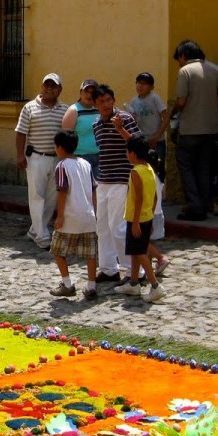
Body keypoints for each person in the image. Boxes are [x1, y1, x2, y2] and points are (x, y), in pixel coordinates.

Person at [92, 84, 144, 285]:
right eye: (101, 101)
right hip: (104, 179)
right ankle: (108, 268)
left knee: (117, 227)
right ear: (95, 104)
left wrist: (120, 129)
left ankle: (133, 271)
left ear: (113, 100)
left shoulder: (125, 119)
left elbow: (138, 144)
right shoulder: (96, 124)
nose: (106, 105)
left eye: (108, 100)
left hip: (122, 179)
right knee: (102, 226)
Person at [170, 40, 218, 221]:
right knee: (204, 167)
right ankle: (202, 203)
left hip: (190, 129)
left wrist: (173, 114)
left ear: (183, 56)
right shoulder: (213, 71)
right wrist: (215, 120)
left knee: (186, 166)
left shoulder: (185, 71)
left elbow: (181, 101)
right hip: (211, 129)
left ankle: (195, 206)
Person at [15, 73, 69, 246]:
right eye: (46, 85)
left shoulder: (65, 109)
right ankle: (42, 236)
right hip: (36, 157)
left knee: (52, 198)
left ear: (59, 90)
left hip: (57, 159)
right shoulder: (29, 108)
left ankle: (36, 230)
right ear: (41, 87)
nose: (49, 89)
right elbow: (21, 132)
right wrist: (19, 154)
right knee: (37, 196)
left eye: (53, 86)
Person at [48, 130, 98, 300]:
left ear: (60, 148)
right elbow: (93, 190)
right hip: (88, 215)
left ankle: (67, 284)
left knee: (57, 250)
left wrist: (60, 216)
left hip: (70, 216)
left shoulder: (61, 166)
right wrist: (95, 211)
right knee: (90, 253)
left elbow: (62, 192)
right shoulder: (86, 164)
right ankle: (91, 286)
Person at [118, 136, 165, 303]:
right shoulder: (150, 170)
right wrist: (149, 217)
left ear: (133, 153)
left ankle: (155, 285)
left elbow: (137, 198)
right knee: (135, 251)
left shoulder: (135, 172)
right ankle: (133, 283)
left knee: (139, 252)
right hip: (147, 217)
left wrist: (136, 221)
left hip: (136, 219)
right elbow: (152, 198)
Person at [129, 73, 170, 177]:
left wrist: (156, 138)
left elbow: (166, 118)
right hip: (143, 143)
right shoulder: (134, 101)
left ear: (151, 87)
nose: (140, 86)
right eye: (138, 83)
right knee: (144, 171)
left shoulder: (154, 98)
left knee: (158, 171)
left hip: (157, 142)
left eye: (144, 84)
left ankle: (159, 193)